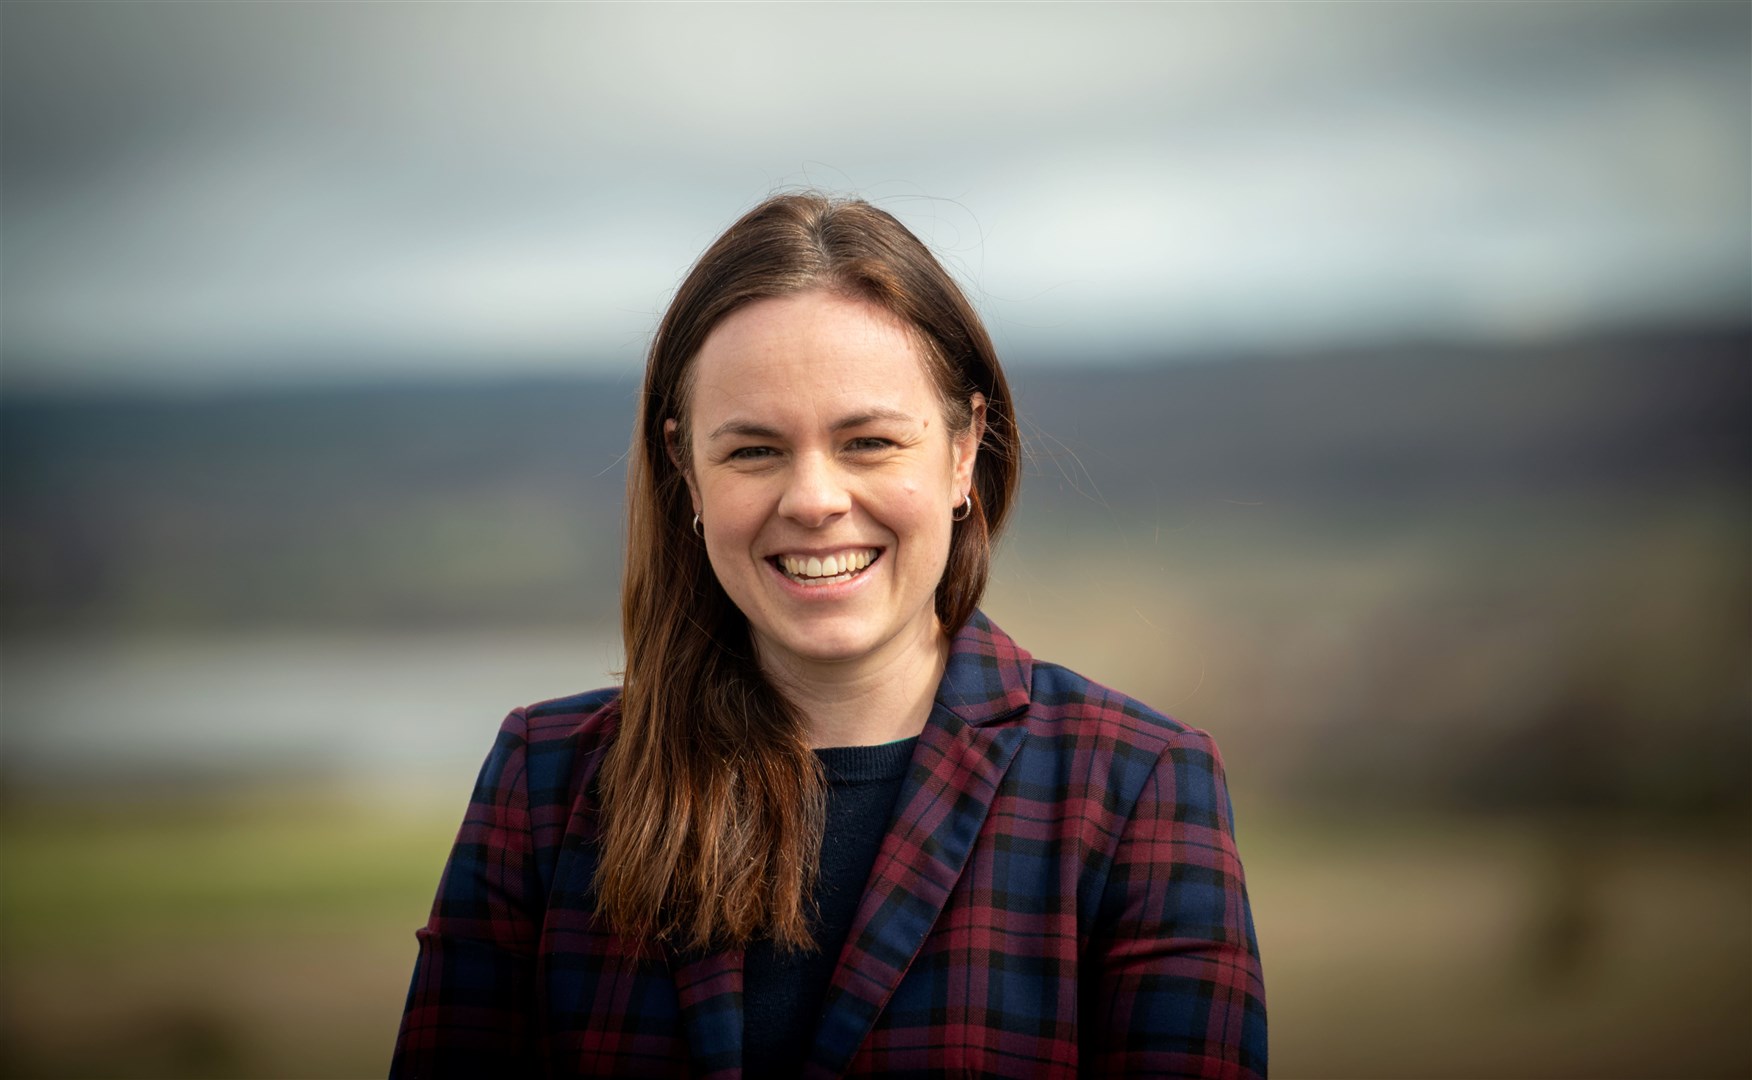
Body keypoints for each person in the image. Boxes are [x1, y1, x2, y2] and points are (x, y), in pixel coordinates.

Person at [390, 192, 1267, 1078]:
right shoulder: (544, 784)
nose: (813, 500)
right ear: (684, 471)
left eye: (871, 442)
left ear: (963, 452)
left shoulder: (1133, 787)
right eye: (754, 451)